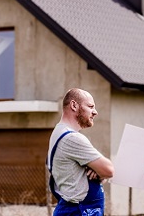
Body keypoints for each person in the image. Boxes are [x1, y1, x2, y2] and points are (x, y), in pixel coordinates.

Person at [47, 88, 114, 216]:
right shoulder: (72, 138)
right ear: (74, 105)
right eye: (90, 106)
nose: (95, 112)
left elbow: (100, 174)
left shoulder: (59, 132)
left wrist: (98, 172)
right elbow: (109, 170)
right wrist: (100, 170)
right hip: (78, 211)